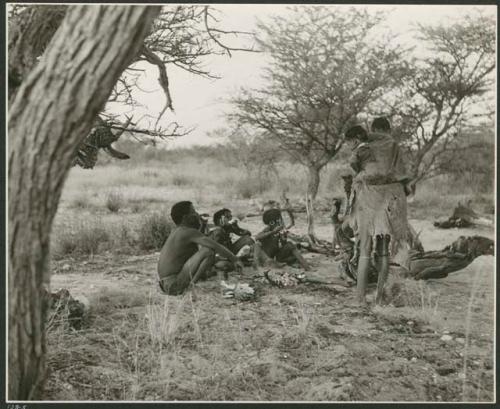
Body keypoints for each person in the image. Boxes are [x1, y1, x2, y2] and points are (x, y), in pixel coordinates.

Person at [344, 117, 413, 306]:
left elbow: (354, 164)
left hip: (368, 199)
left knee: (365, 250)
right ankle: (380, 296)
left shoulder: (365, 144)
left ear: (373, 129)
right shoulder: (394, 146)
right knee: (383, 251)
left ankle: (359, 298)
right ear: (388, 130)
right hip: (390, 201)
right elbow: (404, 177)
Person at [157, 201, 244, 295]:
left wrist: (201, 225)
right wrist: (235, 259)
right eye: (193, 212)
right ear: (185, 218)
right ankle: (191, 286)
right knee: (208, 251)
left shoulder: (177, 231)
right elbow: (214, 245)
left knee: (212, 258)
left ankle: (191, 283)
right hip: (173, 284)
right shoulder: (188, 232)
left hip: (165, 284)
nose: (197, 214)